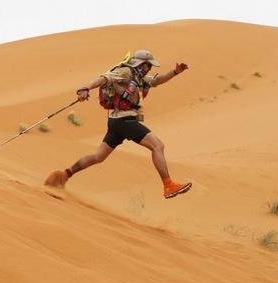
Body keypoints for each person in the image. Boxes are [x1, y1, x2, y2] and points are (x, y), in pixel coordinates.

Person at [43, 50, 192, 199]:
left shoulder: (138, 77)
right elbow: (104, 78)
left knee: (98, 156)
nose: (150, 68)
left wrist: (175, 72)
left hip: (117, 122)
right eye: (149, 65)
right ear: (142, 64)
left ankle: (64, 175)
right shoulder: (126, 71)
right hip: (124, 121)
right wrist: (85, 88)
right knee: (157, 145)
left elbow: (155, 81)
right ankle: (168, 185)